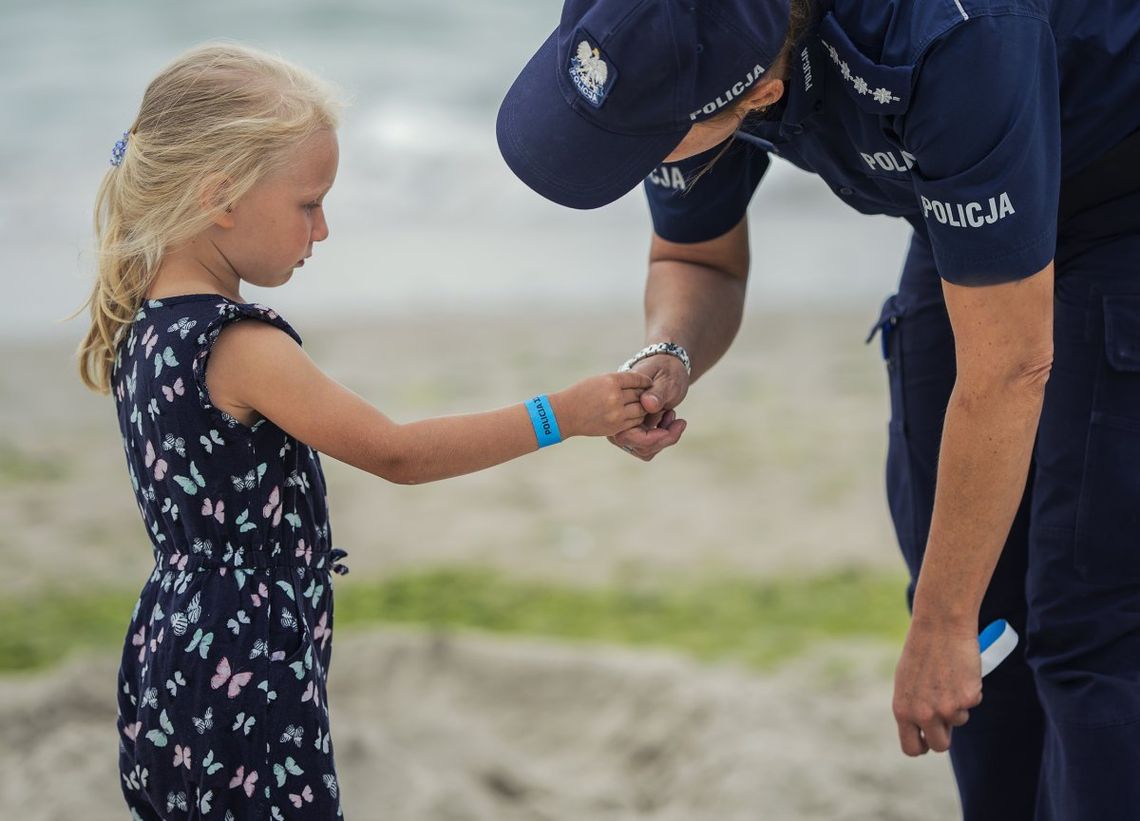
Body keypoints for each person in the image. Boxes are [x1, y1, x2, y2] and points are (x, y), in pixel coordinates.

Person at [495, 0, 1140, 818]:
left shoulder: (950, 34)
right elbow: (697, 257)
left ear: (759, 97)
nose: (618, 159)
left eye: (638, 139)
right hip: (959, 187)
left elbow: (1009, 370)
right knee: (977, 626)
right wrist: (670, 352)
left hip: (1115, 187)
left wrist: (940, 627)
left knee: (1090, 627)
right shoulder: (679, 40)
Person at [77, 42, 651, 820]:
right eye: (309, 203)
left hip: (168, 652)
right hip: (240, 669)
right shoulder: (239, 344)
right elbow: (397, 452)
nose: (322, 228)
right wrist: (563, 414)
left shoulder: (145, 329)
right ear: (220, 198)